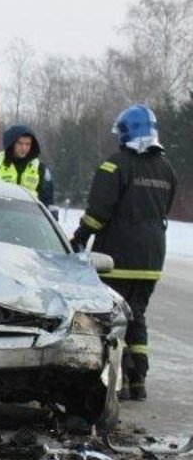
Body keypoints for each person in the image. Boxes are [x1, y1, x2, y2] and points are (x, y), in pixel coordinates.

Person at [69, 104, 177, 400]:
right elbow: (163, 208)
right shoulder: (166, 168)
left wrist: (79, 238)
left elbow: (97, 214)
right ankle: (138, 379)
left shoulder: (114, 166)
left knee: (113, 318)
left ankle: (111, 383)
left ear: (126, 133)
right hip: (152, 258)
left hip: (116, 258)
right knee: (137, 315)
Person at [0, 125, 55, 205]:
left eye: (28, 144)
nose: (24, 148)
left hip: (29, 214)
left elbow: (48, 200)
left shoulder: (39, 167)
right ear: (11, 143)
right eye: (20, 143)